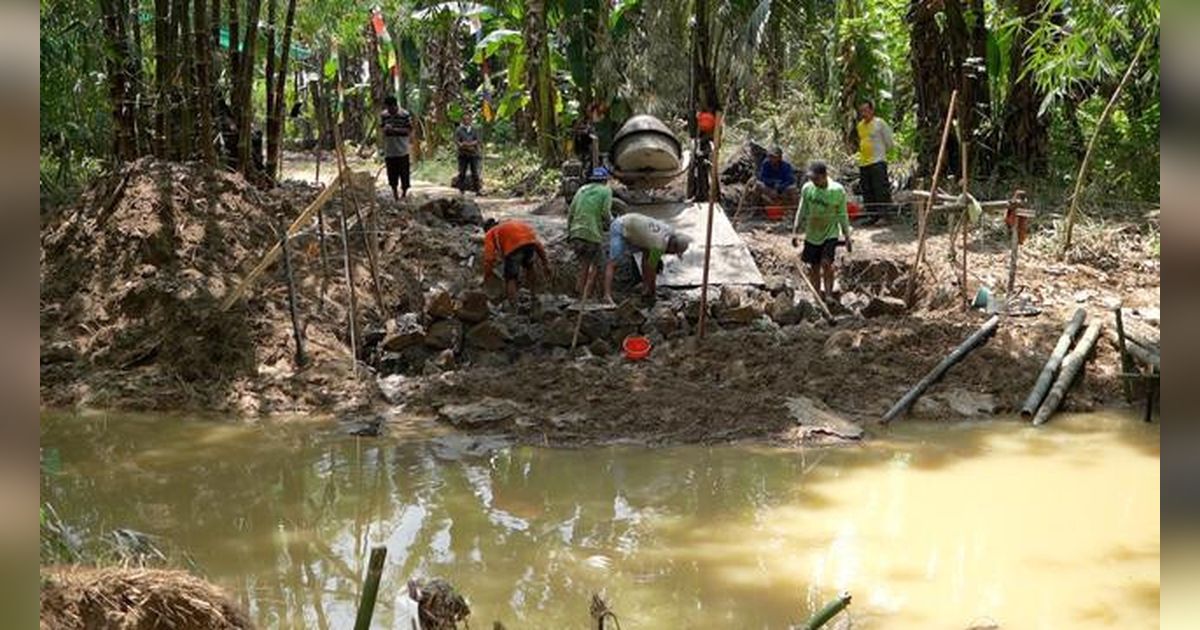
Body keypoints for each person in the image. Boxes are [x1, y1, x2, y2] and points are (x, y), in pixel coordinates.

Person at [791, 161, 851, 302]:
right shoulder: (807, 189)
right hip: (812, 233)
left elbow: (843, 214)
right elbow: (802, 210)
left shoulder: (837, 190)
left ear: (824, 176)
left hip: (830, 232)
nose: (814, 181)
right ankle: (817, 296)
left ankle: (829, 294)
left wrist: (847, 236)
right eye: (811, 179)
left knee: (826, 263)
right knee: (814, 266)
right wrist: (795, 231)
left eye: (816, 179)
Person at [603, 213, 691, 303]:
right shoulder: (659, 246)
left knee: (646, 255)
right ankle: (607, 295)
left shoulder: (669, 231)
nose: (670, 254)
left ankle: (645, 289)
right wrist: (653, 291)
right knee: (613, 263)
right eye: (673, 253)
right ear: (672, 247)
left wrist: (648, 288)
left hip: (635, 225)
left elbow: (647, 263)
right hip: (621, 226)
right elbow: (651, 269)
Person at [567, 167, 614, 296]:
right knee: (598, 264)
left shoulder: (581, 189)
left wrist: (569, 233)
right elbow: (606, 212)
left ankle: (579, 291)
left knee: (584, 263)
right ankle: (587, 295)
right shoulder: (606, 191)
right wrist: (612, 226)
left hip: (576, 232)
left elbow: (570, 212)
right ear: (605, 180)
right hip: (591, 233)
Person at [481, 218, 551, 305]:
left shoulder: (490, 233)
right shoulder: (513, 223)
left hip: (513, 249)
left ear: (487, 229)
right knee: (530, 268)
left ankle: (513, 307)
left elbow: (489, 258)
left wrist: (486, 275)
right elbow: (538, 244)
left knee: (511, 278)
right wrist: (546, 263)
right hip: (529, 244)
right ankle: (534, 297)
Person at [854, 100, 895, 221]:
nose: (864, 113)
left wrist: (881, 153)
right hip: (864, 162)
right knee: (867, 189)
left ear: (872, 110)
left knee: (880, 189)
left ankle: (885, 216)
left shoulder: (879, 123)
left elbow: (889, 143)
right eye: (861, 111)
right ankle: (872, 215)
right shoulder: (860, 126)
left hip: (877, 161)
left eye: (866, 110)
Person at [381, 95, 413, 200]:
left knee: (404, 173)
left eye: (390, 108)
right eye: (387, 108)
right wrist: (385, 130)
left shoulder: (405, 115)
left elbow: (408, 131)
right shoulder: (384, 115)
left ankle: (404, 193)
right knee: (392, 174)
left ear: (395, 106)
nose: (389, 110)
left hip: (402, 150)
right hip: (389, 150)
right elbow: (381, 128)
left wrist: (394, 130)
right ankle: (395, 194)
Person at [750, 146, 800, 212]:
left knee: (793, 189)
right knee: (757, 185)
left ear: (779, 157)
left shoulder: (786, 166)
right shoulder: (766, 164)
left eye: (774, 157)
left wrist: (779, 187)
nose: (772, 159)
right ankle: (754, 209)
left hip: (783, 189)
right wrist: (772, 183)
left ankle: (795, 212)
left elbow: (790, 180)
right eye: (770, 156)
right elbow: (762, 177)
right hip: (769, 188)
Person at [454, 112, 482, 193]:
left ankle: (477, 190)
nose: (466, 121)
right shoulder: (459, 130)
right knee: (462, 172)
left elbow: (478, 140)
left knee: (475, 173)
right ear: (462, 120)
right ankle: (461, 190)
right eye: (465, 119)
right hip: (463, 154)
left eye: (468, 119)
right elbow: (457, 141)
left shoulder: (474, 129)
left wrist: (468, 144)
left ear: (470, 120)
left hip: (473, 154)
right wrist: (464, 145)